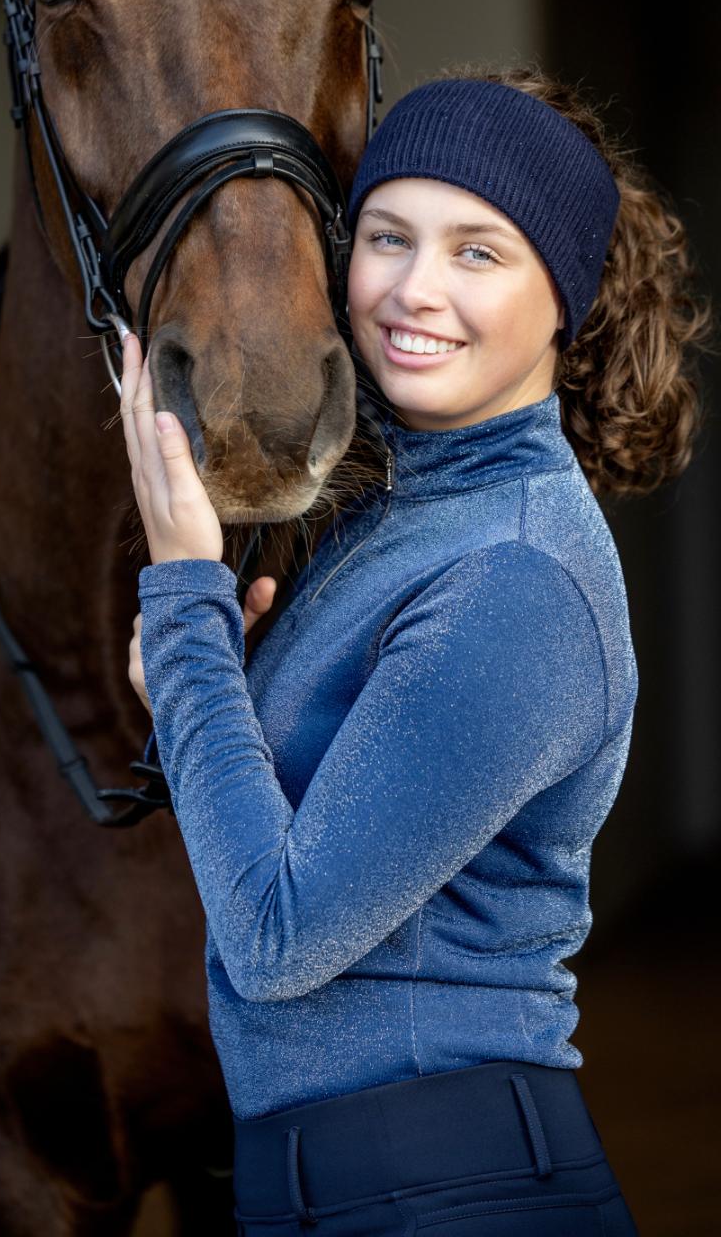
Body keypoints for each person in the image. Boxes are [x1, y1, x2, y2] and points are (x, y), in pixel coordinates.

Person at [119, 68, 709, 1236]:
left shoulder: (518, 573)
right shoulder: (399, 519)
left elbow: (281, 938)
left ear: (565, 301)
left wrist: (186, 596)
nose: (413, 289)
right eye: (387, 236)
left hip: (453, 1189)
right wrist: (198, 688)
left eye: (477, 252)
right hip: (338, 1184)